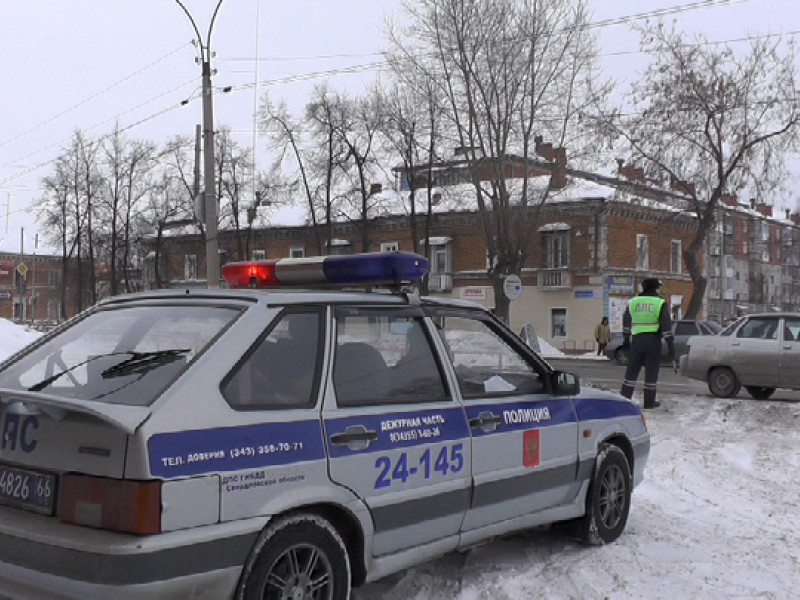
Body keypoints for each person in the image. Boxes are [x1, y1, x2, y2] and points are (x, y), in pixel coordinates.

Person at [619, 278, 674, 409]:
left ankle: (624, 400)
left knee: (631, 373)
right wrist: (671, 346)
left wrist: (626, 340)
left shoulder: (633, 302)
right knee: (651, 373)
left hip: (636, 341)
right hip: (653, 341)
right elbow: (666, 326)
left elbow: (626, 322)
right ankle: (649, 402)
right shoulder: (660, 303)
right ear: (655, 288)